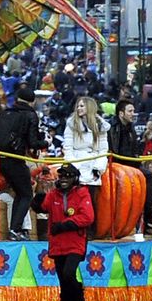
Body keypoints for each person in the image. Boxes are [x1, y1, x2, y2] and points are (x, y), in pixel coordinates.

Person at [40, 163, 94, 301]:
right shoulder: (53, 194)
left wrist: (65, 225)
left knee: (69, 273)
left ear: (74, 178)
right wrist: (37, 194)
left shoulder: (82, 193)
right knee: (63, 281)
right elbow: (43, 206)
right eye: (61, 176)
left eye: (67, 176)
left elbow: (88, 217)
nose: (64, 179)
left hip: (75, 243)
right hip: (57, 244)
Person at [0, 87, 44, 240]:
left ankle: (15, 229)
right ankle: (15, 229)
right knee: (26, 194)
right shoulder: (30, 115)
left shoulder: (6, 112)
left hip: (2, 158)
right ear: (32, 101)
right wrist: (44, 141)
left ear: (17, 99)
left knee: (20, 194)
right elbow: (33, 142)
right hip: (15, 159)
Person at [63, 96, 108, 230]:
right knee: (74, 202)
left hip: (93, 166)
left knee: (91, 201)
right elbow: (68, 147)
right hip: (76, 165)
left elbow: (103, 150)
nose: (79, 108)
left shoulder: (101, 126)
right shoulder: (71, 124)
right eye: (78, 106)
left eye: (82, 106)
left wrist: (98, 168)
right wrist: (73, 167)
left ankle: (91, 232)